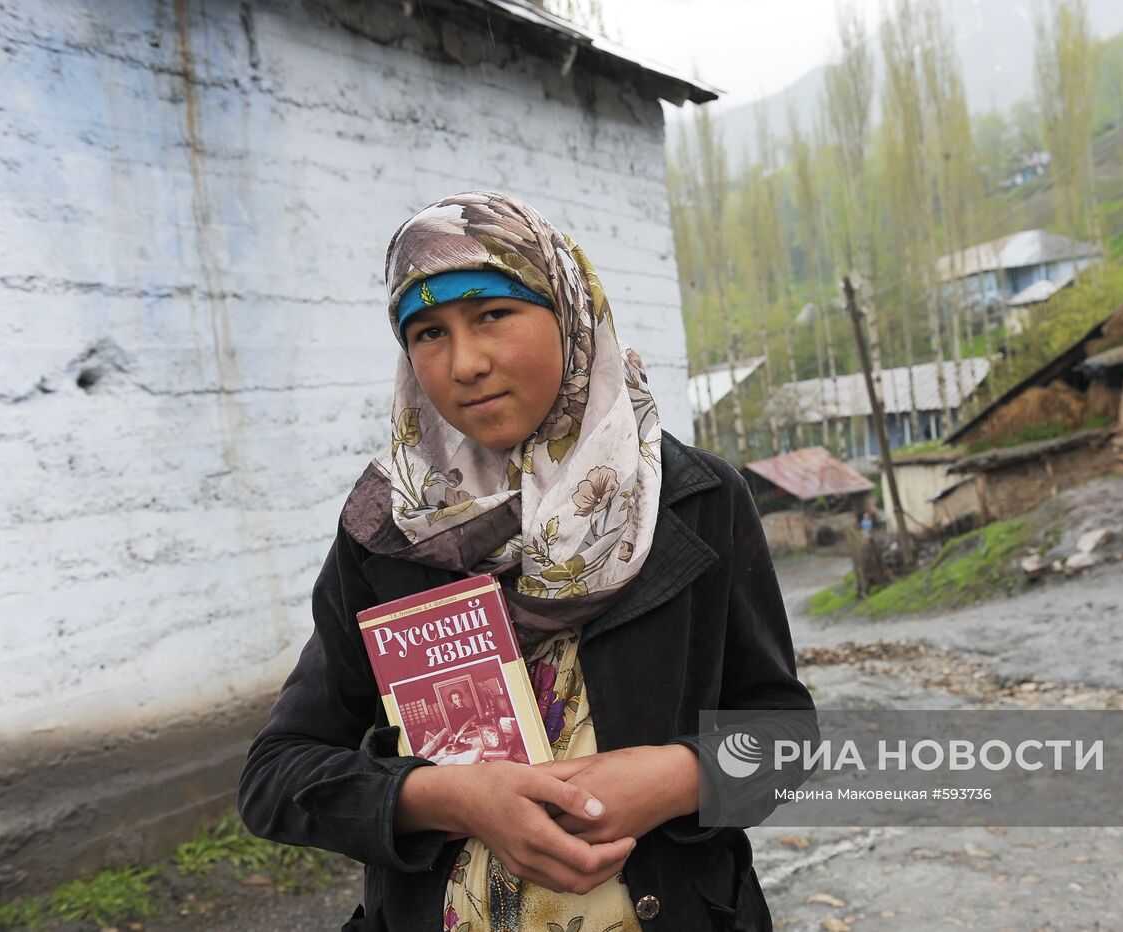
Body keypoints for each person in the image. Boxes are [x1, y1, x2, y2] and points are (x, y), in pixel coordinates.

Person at [237, 191, 814, 931]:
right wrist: (448, 798)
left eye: (492, 315)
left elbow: (786, 740)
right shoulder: (393, 531)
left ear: (569, 311)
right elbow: (275, 775)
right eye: (427, 332)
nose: (465, 363)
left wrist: (679, 777)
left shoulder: (694, 502)